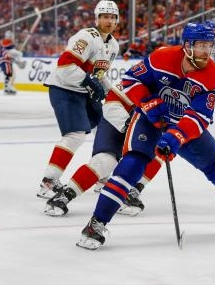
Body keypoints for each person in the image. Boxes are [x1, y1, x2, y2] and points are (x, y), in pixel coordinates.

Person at [76, 22, 215, 250]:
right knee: (132, 166)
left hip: (182, 125)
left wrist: (175, 136)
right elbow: (131, 81)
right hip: (149, 119)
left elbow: (199, 117)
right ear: (187, 45)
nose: (207, 51)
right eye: (202, 45)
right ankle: (96, 224)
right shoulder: (162, 57)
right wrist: (148, 102)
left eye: (210, 45)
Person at [36, 0, 120, 199]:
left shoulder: (113, 45)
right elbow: (65, 67)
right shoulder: (86, 36)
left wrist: (112, 92)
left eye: (112, 17)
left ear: (117, 20)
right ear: (97, 18)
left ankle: (101, 177)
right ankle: (48, 182)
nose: (109, 21)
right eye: (105, 16)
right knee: (75, 135)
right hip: (64, 89)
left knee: (109, 129)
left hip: (83, 92)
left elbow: (98, 75)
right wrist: (89, 81)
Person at [44, 87, 163, 216]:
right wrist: (129, 124)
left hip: (145, 126)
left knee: (160, 152)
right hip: (117, 121)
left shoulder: (182, 88)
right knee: (105, 161)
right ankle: (64, 195)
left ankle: (130, 190)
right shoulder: (146, 74)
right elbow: (111, 102)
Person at [0, 30, 26, 95]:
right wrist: (19, 55)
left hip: (7, 60)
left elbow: (11, 55)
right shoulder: (6, 41)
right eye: (10, 36)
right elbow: (10, 52)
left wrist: (18, 61)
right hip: (5, 60)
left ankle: (8, 87)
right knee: (9, 74)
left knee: (13, 75)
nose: (11, 37)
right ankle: (7, 87)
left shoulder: (8, 42)